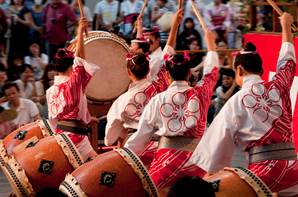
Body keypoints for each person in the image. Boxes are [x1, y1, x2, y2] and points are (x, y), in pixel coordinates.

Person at [189, 13, 298, 195]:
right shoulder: (279, 86)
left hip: (262, 175)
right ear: (262, 70)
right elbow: (288, 61)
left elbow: (218, 140)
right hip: (293, 172)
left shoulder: (236, 101)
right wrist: (286, 25)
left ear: (238, 70)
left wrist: (212, 171)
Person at [125, 7, 219, 188]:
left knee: (147, 189)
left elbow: (142, 135)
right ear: (190, 73)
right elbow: (211, 73)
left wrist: (124, 155)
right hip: (197, 163)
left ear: (167, 75)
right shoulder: (200, 93)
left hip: (166, 164)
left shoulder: (158, 99)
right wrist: (211, 45)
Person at [46, 17, 99, 161]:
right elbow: (80, 58)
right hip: (76, 138)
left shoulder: (50, 91)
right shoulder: (73, 84)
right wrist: (80, 31)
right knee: (96, 174)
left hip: (59, 137)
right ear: (71, 66)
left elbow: (54, 120)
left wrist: (87, 118)